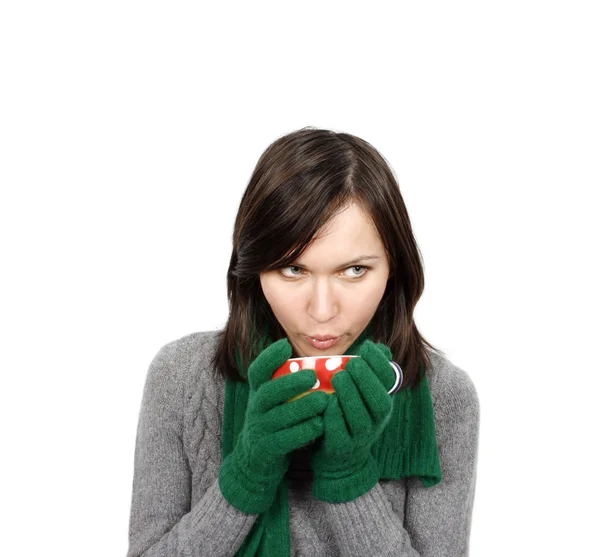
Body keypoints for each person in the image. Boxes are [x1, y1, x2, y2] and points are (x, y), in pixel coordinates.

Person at [125, 127, 480, 556]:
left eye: (354, 271)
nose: (323, 310)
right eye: (293, 269)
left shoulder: (446, 396)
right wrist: (245, 476)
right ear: (254, 270)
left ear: (394, 268)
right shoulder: (182, 376)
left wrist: (350, 482)